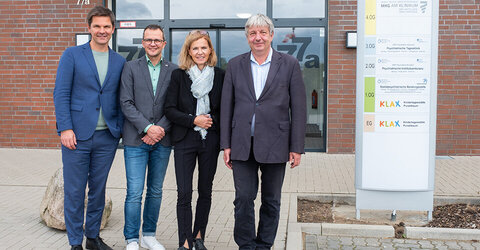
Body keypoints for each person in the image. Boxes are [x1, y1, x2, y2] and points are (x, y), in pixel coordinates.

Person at [220, 14, 307, 250]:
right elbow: (227, 106)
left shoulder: (288, 64)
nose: (258, 37)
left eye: (262, 33)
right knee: (244, 199)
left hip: (276, 143)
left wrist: (296, 147)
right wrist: (225, 144)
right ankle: (246, 245)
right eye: (252, 33)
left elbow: (298, 108)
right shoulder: (235, 64)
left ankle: (264, 244)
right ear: (247, 37)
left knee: (271, 200)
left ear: (271, 35)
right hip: (241, 144)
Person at [53, 6, 125, 250]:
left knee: (98, 190)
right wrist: (65, 128)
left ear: (112, 29)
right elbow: (61, 93)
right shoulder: (72, 55)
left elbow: (120, 97)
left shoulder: (120, 60)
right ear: (89, 28)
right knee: (74, 192)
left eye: (106, 26)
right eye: (97, 26)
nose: (102, 31)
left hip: (108, 137)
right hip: (76, 136)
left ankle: (93, 238)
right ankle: (75, 243)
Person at [164, 30, 225, 250]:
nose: (200, 52)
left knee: (205, 191)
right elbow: (169, 109)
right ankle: (185, 241)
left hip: (210, 140)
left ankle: (199, 236)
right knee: (184, 193)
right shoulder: (179, 75)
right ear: (189, 51)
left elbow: (225, 110)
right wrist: (194, 120)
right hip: (184, 140)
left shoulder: (220, 76)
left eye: (204, 47)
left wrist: (209, 121)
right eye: (195, 48)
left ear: (210, 51)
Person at [119, 24, 177, 250]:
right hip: (136, 140)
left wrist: (158, 129)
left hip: (162, 141)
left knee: (155, 190)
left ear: (164, 43)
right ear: (143, 43)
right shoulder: (130, 68)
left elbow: (175, 105)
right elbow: (126, 102)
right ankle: (132, 239)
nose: (153, 44)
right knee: (134, 192)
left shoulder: (174, 70)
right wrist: (147, 128)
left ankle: (149, 235)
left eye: (157, 40)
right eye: (148, 40)